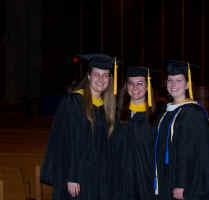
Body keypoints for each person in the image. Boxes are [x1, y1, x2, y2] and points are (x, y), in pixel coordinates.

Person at [40, 53, 117, 200]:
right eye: (96, 74)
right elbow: (67, 142)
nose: (101, 79)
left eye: (105, 75)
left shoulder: (107, 107)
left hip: (97, 176)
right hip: (77, 177)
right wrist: (72, 176)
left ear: (110, 79)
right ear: (88, 76)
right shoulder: (74, 102)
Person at [154, 60, 209, 200]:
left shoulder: (194, 113)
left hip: (183, 185)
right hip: (166, 178)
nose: (173, 85)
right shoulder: (165, 113)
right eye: (170, 80)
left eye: (179, 80)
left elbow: (195, 152)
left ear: (187, 84)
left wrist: (181, 184)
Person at [112, 66, 156, 200]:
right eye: (130, 83)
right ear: (126, 86)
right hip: (120, 180)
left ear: (147, 87)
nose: (135, 87)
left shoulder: (157, 118)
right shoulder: (116, 116)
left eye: (140, 83)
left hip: (146, 179)